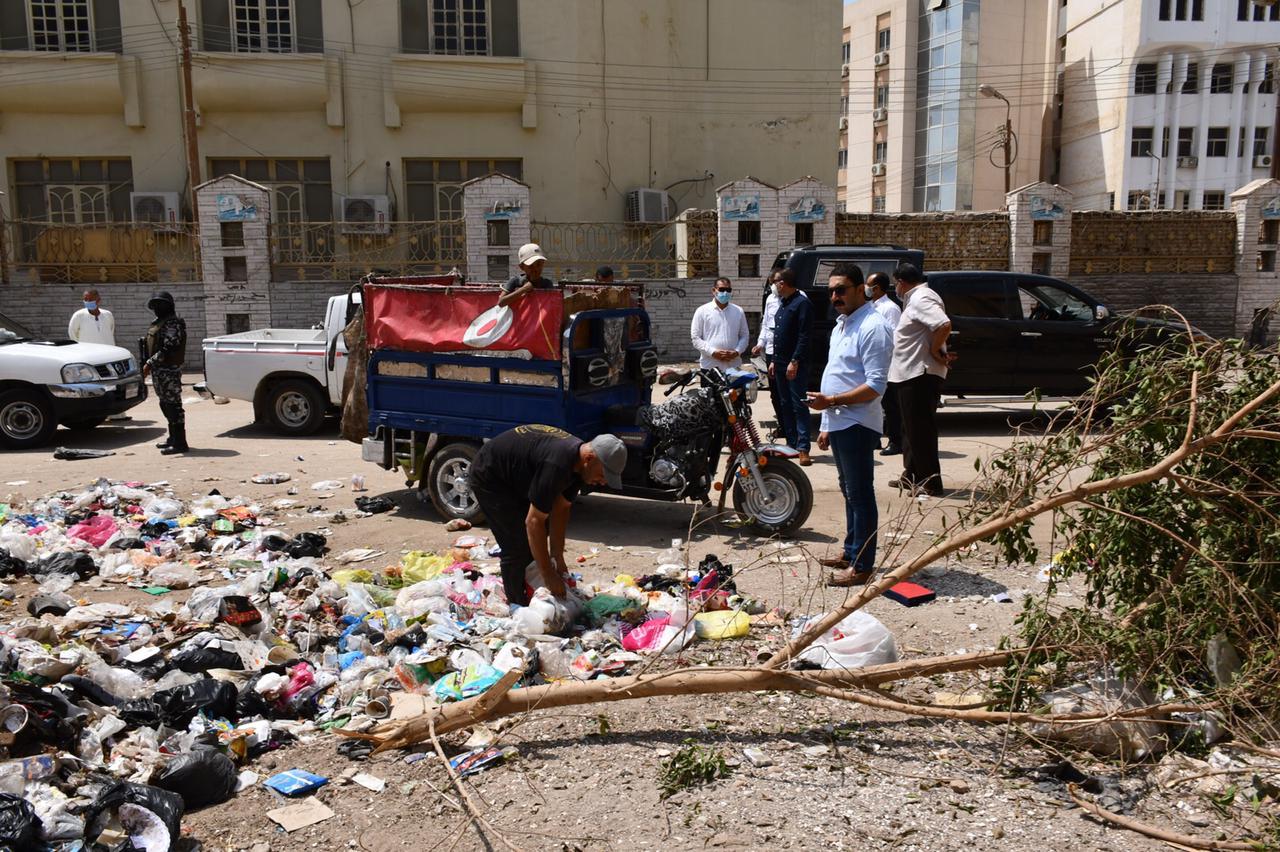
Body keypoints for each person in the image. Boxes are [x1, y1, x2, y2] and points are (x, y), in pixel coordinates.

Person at [468, 425, 627, 607]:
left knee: (537, 540)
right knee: (517, 546)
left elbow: (561, 508)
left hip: (518, 477)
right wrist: (548, 574)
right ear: (589, 459)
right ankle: (517, 606)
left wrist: (557, 557)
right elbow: (533, 522)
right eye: (603, 474)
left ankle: (531, 594)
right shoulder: (558, 464)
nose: (603, 482)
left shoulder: (578, 467)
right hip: (491, 476)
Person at [806, 263, 892, 586]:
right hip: (840, 421)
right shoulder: (842, 325)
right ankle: (851, 551)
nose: (834, 297)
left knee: (860, 493)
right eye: (831, 291)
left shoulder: (874, 326)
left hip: (858, 422)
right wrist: (827, 422)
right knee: (849, 491)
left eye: (841, 290)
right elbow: (839, 374)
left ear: (860, 290)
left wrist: (831, 402)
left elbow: (875, 386)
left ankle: (862, 566)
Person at [887, 263, 954, 496]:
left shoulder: (922, 298)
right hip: (909, 373)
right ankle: (912, 475)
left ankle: (931, 482)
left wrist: (935, 350)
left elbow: (943, 324)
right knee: (909, 429)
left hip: (920, 374)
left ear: (901, 282)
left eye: (895, 283)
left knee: (920, 430)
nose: (895, 288)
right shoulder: (915, 299)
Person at [769, 268, 814, 466]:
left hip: (795, 364)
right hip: (779, 362)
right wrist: (773, 360)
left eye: (775, 282)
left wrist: (794, 360)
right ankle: (791, 444)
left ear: (782, 283)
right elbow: (778, 334)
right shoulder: (783, 303)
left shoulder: (802, 303)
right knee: (785, 404)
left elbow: (805, 336)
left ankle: (803, 448)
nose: (773, 286)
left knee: (799, 405)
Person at [142, 292, 189, 455]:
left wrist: (149, 363)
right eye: (155, 305)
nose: (157, 308)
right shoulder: (159, 322)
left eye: (160, 305)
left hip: (169, 370)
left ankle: (180, 443)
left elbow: (170, 347)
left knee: (174, 406)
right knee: (165, 404)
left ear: (168, 306)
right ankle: (173, 438)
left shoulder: (172, 324)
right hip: (160, 370)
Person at [865, 272, 903, 456]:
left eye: (869, 285)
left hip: (887, 364)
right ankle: (875, 438)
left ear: (877, 288)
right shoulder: (871, 306)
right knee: (874, 404)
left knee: (891, 406)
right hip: (873, 362)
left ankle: (896, 441)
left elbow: (894, 338)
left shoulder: (890, 308)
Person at [690, 277, 749, 371]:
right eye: (721, 289)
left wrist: (737, 352)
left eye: (728, 290)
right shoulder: (702, 311)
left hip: (733, 365)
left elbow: (744, 335)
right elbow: (695, 338)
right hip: (710, 366)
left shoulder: (738, 311)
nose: (725, 293)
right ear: (714, 291)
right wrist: (712, 352)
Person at [752, 271, 784, 439]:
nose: (773, 285)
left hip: (786, 352)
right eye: (771, 282)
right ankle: (783, 425)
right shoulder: (770, 299)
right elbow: (765, 323)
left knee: (787, 393)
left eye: (776, 281)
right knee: (775, 392)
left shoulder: (798, 298)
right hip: (771, 351)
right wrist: (760, 344)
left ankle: (792, 427)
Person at [499, 243, 556, 307]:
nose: (536, 269)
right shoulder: (515, 281)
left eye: (539, 264)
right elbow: (501, 302)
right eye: (531, 266)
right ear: (522, 267)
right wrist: (523, 289)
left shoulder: (547, 283)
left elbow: (553, 304)